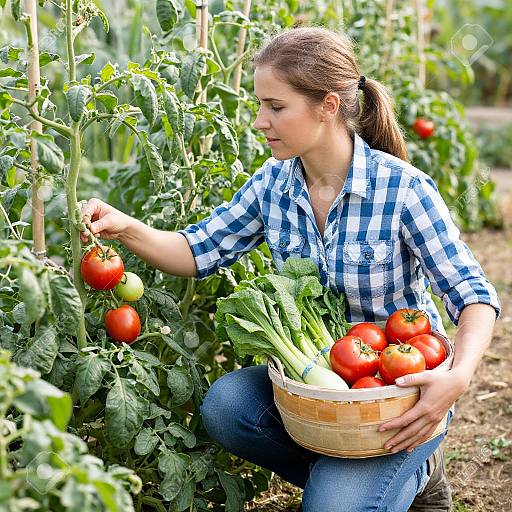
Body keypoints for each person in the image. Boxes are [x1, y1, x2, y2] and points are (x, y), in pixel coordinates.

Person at [80, 26, 501, 512]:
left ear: (327, 105)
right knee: (227, 408)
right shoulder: (275, 184)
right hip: (313, 389)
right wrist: (125, 227)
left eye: (275, 106)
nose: (260, 121)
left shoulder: (403, 190)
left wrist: (459, 376)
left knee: (333, 506)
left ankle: (410, 476)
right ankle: (355, 480)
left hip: (392, 400)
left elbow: (472, 294)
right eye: (261, 105)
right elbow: (198, 250)